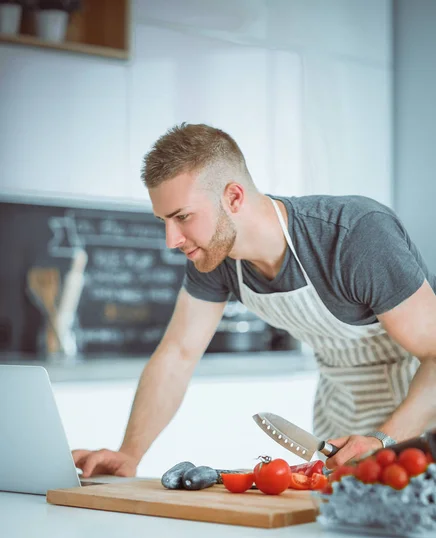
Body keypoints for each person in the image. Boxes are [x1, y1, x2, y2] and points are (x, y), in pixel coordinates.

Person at [73, 123, 436, 477]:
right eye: (164, 220)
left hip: (419, 419)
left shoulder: (355, 236)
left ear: (234, 197)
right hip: (340, 416)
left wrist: (383, 438)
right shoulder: (214, 256)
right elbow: (177, 354)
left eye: (182, 217)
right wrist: (129, 453)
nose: (172, 239)